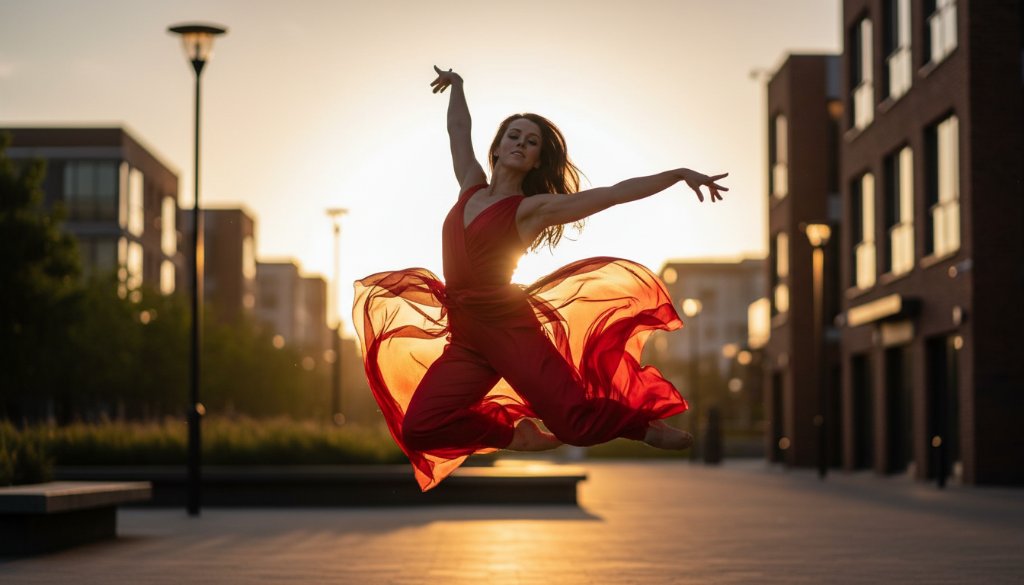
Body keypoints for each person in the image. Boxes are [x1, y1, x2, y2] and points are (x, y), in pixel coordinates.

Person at [353, 66, 728, 491]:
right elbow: (459, 130)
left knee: (573, 425)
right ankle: (515, 436)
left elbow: (612, 194)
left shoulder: (532, 209)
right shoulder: (470, 187)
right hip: (468, 337)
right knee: (420, 428)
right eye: (514, 136)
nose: (521, 144)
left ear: (535, 161)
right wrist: (457, 86)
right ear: (496, 147)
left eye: (531, 143)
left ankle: (641, 426)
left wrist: (678, 175)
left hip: (510, 329)